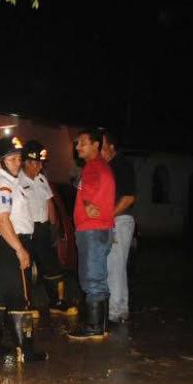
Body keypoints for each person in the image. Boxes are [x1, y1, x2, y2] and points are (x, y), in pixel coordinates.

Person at [0, 140, 46, 363]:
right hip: (9, 244)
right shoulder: (3, 185)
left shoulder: (3, 181)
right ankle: (25, 350)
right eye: (12, 159)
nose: (18, 163)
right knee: (21, 296)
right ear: (0, 161)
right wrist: (20, 249)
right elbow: (2, 219)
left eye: (19, 158)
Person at [19, 140, 78, 316]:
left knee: (52, 267)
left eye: (41, 163)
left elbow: (49, 203)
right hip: (26, 230)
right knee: (26, 271)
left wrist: (53, 225)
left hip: (43, 229)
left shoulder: (42, 179)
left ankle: (57, 302)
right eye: (36, 163)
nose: (39, 167)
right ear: (27, 162)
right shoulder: (17, 180)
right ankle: (25, 306)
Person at [68, 128, 115, 340]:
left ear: (95, 145)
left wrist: (87, 203)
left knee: (91, 279)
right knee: (99, 277)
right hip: (101, 229)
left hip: (92, 229)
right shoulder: (103, 166)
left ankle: (94, 327)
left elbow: (90, 188)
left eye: (82, 143)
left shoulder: (92, 167)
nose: (77, 147)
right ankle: (101, 325)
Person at [101, 131, 136, 323]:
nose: (100, 148)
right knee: (117, 266)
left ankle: (115, 311)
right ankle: (120, 309)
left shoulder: (121, 165)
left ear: (112, 147)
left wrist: (109, 215)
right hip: (118, 220)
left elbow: (129, 197)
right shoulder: (110, 166)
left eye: (103, 144)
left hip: (120, 220)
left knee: (114, 265)